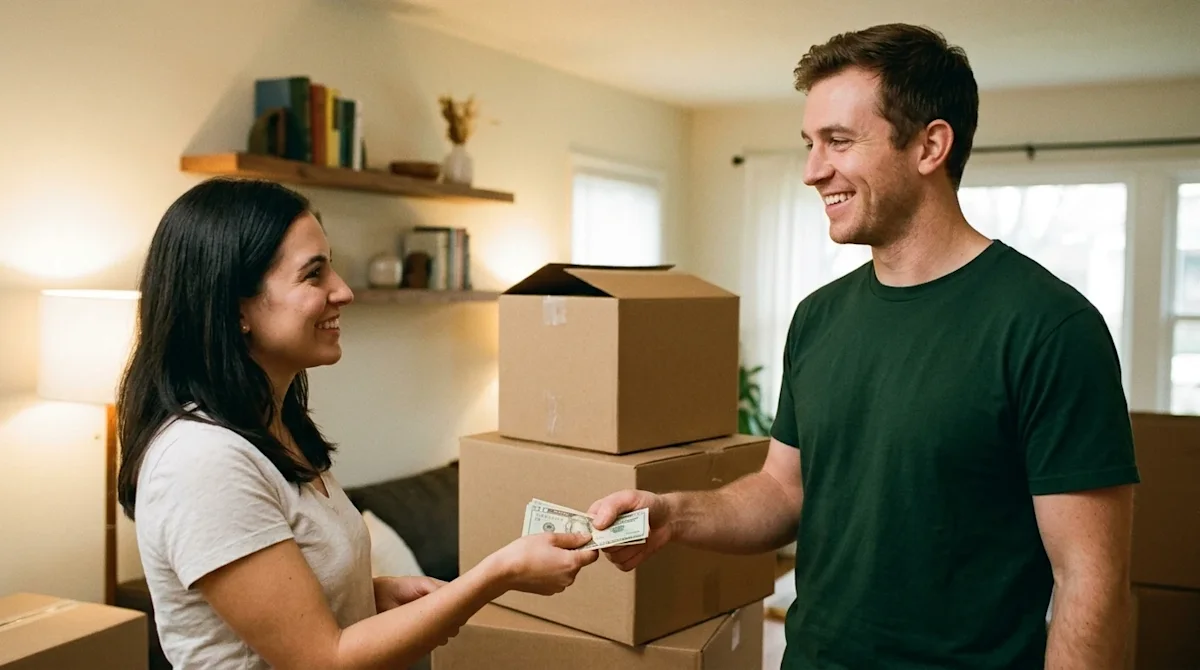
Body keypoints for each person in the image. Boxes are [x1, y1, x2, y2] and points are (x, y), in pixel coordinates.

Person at [589, 23, 1139, 670]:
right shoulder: (818, 319)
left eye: (839, 141)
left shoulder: (1048, 328)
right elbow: (783, 491)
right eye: (810, 143)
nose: (813, 170)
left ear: (930, 145)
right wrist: (673, 514)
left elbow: (1091, 582)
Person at [116, 177, 598, 670]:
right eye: (314, 274)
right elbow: (323, 660)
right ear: (236, 307)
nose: (342, 292)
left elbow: (285, 602)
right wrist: (500, 572)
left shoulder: (276, 430)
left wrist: (369, 594)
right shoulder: (201, 463)